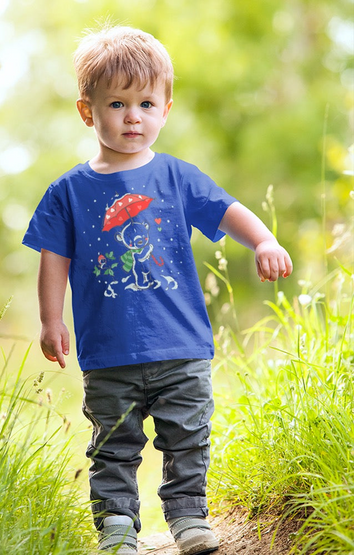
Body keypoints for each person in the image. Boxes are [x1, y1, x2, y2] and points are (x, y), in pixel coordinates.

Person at [23, 25, 293, 555]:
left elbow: (226, 210)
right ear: (87, 111)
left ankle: (189, 518)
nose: (132, 117)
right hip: (108, 353)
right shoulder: (68, 191)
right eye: (117, 103)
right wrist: (51, 321)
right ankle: (118, 528)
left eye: (146, 103)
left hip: (181, 346)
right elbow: (53, 258)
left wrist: (263, 239)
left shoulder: (177, 176)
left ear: (166, 110)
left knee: (187, 438)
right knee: (113, 447)